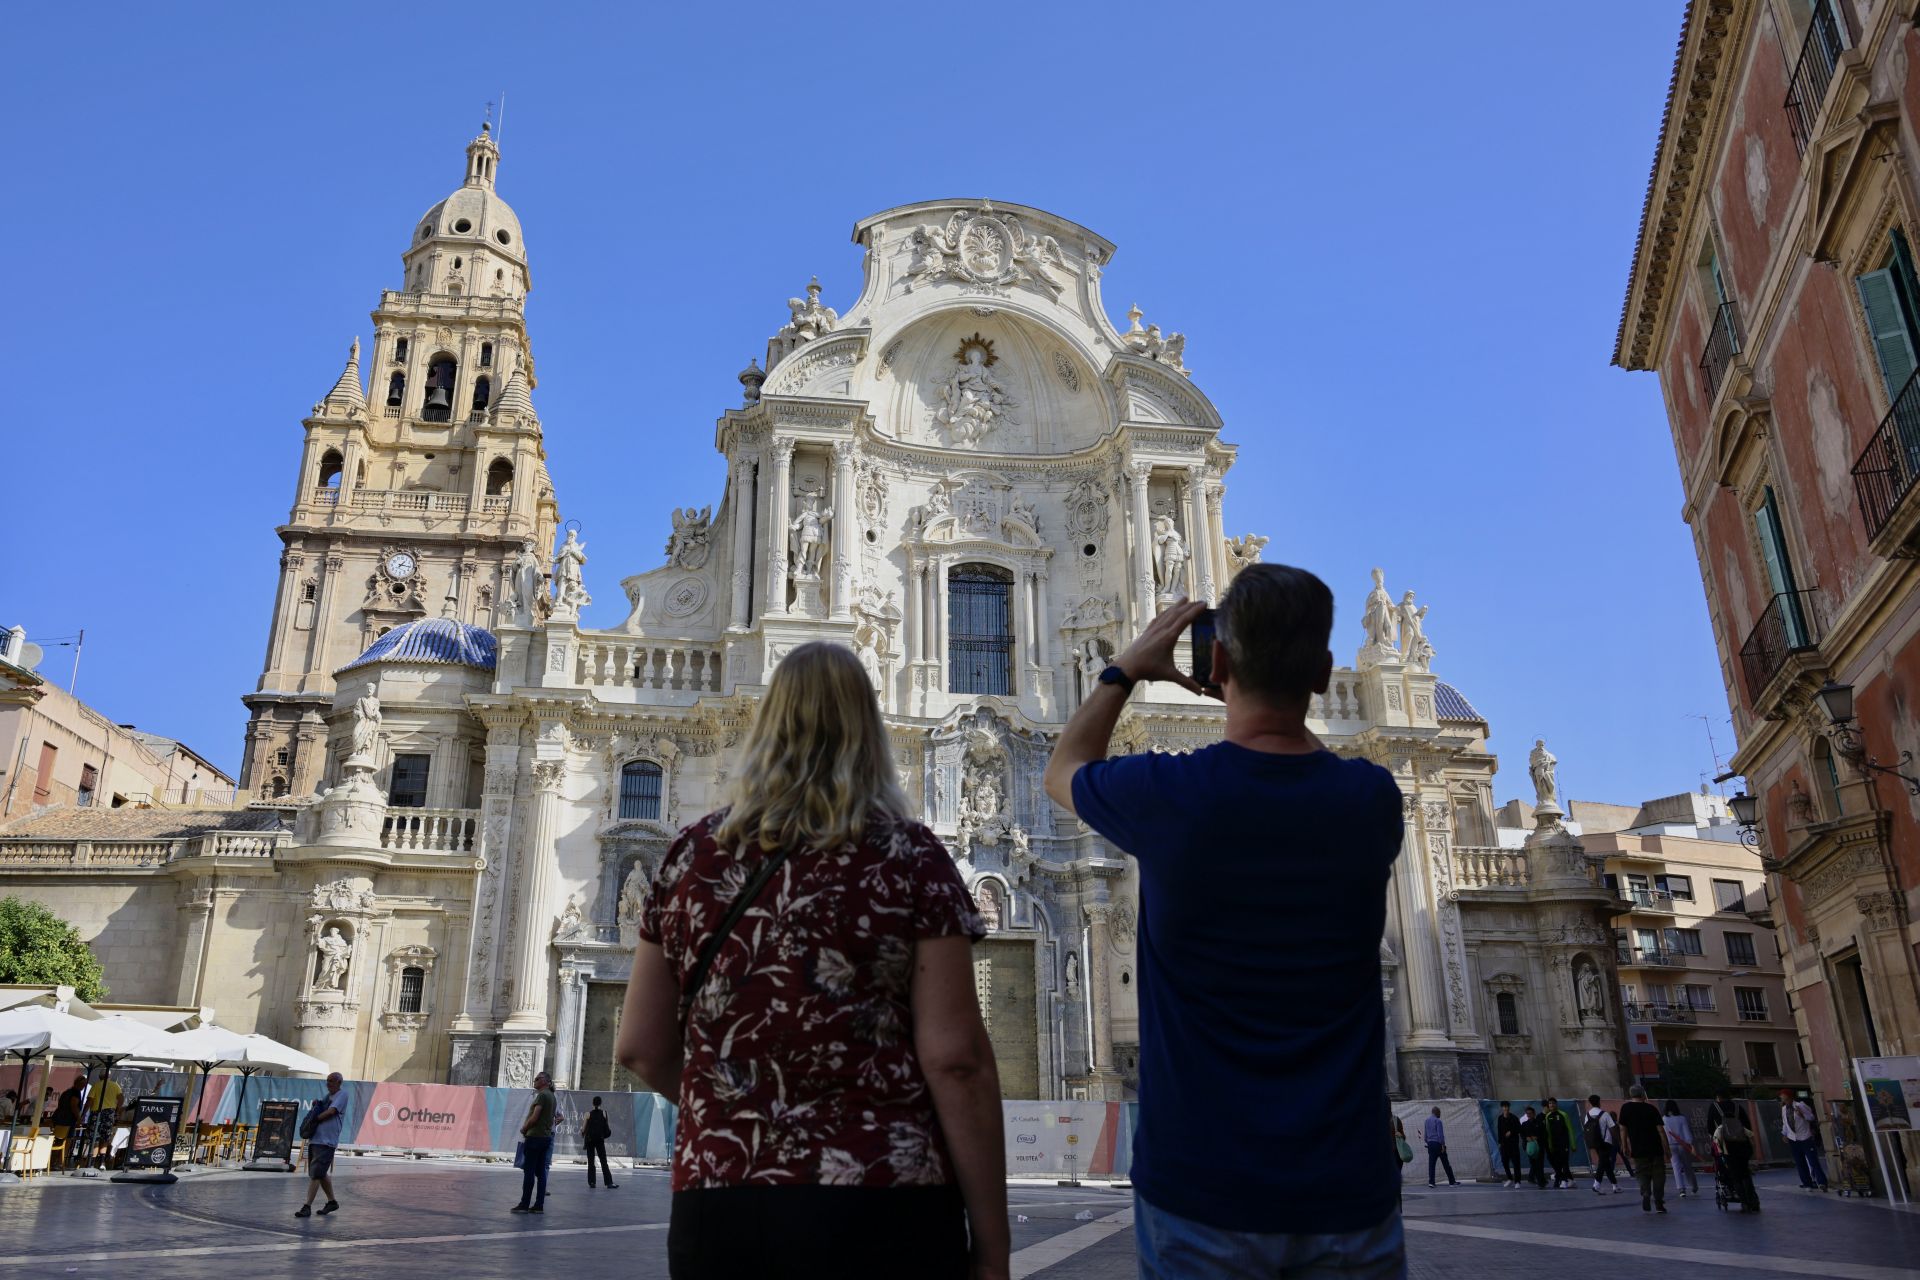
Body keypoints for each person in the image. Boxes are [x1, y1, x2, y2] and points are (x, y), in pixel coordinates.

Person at [1043, 569, 1406, 1277]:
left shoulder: (1168, 795)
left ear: (1215, 665)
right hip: (1346, 1189)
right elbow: (1307, 776)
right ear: (1327, 674)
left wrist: (1124, 670)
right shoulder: (1372, 800)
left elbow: (1064, 769)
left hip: (1200, 1187)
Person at [618, 641, 1007, 1280]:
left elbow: (638, 1045)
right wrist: (993, 1248)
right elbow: (956, 1060)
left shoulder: (689, 858)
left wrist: (736, 1103)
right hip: (883, 1197)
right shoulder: (910, 858)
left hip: (722, 1201)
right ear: (870, 732)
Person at [294, 1072, 347, 1219]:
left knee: (316, 1174)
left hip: (326, 1141)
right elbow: (322, 1108)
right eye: (327, 1081)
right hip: (316, 1139)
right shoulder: (327, 1097)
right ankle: (332, 1202)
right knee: (321, 1173)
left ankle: (307, 1206)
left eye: (331, 1081)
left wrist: (315, 1119)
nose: (328, 1084)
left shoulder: (342, 1095)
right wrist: (316, 1105)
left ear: (339, 1082)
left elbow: (331, 1112)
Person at [1616, 1084, 1669, 1213]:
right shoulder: (1651, 1109)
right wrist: (1666, 1148)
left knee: (1641, 1173)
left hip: (1638, 1148)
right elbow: (1660, 1130)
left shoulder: (1626, 1108)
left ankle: (1645, 1192)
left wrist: (1624, 1145)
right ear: (1643, 1094)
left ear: (1630, 1094)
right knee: (1658, 1176)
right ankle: (1658, 1202)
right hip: (1655, 1147)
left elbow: (1623, 1128)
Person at [512, 1071, 557, 1214]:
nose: (535, 1081)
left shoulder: (542, 1096)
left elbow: (535, 1116)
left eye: (537, 1079)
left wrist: (524, 1128)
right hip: (545, 1137)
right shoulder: (552, 1096)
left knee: (529, 1172)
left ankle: (524, 1203)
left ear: (545, 1081)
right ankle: (539, 1205)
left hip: (535, 1137)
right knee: (541, 1173)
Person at [1713, 1103, 1761, 1212]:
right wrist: (1751, 1150)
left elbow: (1716, 1142)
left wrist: (1722, 1154)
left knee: (1736, 1179)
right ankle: (1753, 1201)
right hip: (1743, 1154)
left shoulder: (1721, 1128)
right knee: (1746, 1177)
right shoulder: (1740, 1126)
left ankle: (1744, 1203)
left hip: (1730, 1155)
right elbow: (1752, 1135)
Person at [1779, 1089, 1829, 1191]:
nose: (1784, 1100)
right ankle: (1807, 1183)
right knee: (1800, 1162)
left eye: (1785, 1098)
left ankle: (1822, 1182)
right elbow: (1785, 1122)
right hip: (1793, 1138)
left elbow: (1811, 1117)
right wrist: (1784, 1134)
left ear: (1790, 1097)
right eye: (1783, 1098)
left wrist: (1802, 1115)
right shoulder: (1784, 1109)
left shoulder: (1800, 1105)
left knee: (1813, 1161)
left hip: (1805, 1137)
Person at [1663, 1101, 1700, 1199]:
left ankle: (1681, 1189)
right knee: (1688, 1166)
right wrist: (1691, 1145)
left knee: (1676, 1167)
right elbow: (1687, 1133)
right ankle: (1694, 1186)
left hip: (1671, 1145)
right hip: (1683, 1145)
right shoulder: (1681, 1118)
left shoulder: (1664, 1119)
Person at [1585, 1095, 1621, 1194]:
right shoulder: (1604, 1114)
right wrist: (1618, 1141)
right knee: (1602, 1163)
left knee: (1606, 1164)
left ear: (1590, 1103)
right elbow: (1613, 1128)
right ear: (1599, 1102)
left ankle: (1615, 1186)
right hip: (1606, 1142)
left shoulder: (1587, 1115)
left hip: (1595, 1142)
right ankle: (1596, 1184)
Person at [583, 1095, 617, 1189]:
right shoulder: (604, 1113)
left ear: (592, 1103)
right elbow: (606, 1127)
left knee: (591, 1162)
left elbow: (583, 1129)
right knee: (603, 1161)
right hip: (600, 1140)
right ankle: (609, 1182)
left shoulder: (587, 1114)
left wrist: (583, 1134)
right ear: (600, 1103)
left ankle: (592, 1182)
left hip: (590, 1140)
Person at [1542, 1097, 1576, 1189]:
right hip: (1554, 1144)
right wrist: (1550, 1145)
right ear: (1548, 1105)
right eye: (1550, 1104)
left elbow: (1570, 1129)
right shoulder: (1548, 1116)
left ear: (1556, 1104)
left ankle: (1564, 1181)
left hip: (1564, 1143)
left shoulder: (1563, 1114)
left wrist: (1573, 1144)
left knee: (1564, 1162)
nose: (1551, 1105)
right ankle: (1571, 1180)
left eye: (1553, 1103)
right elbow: (1548, 1132)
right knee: (1558, 1163)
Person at [1423, 1107, 1457, 1188]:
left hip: (1430, 1144)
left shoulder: (1426, 1121)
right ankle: (1452, 1182)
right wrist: (1443, 1145)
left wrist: (1429, 1143)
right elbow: (1440, 1135)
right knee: (1446, 1163)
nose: (1440, 1115)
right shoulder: (1438, 1121)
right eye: (1439, 1113)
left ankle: (1431, 1182)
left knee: (1431, 1164)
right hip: (1438, 1144)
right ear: (1437, 1112)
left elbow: (1425, 1136)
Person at [1517, 1106, 1547, 1189]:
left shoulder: (1540, 1123)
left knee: (1539, 1164)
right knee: (1534, 1164)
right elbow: (1522, 1134)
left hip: (1539, 1146)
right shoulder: (1524, 1124)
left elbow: (1544, 1134)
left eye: (1530, 1113)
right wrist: (1526, 1138)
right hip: (1529, 1147)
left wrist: (1537, 1137)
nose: (1529, 1115)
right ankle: (1538, 1179)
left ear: (1534, 1114)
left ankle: (1541, 1181)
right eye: (1527, 1114)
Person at [1495, 1102, 1522, 1187]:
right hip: (1504, 1144)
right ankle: (1510, 1178)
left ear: (1509, 1108)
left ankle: (1517, 1181)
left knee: (1516, 1163)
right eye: (1504, 1107)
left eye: (1507, 1107)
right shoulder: (1500, 1118)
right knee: (1504, 1162)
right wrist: (1500, 1142)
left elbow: (1519, 1129)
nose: (1505, 1108)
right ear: (1502, 1108)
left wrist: (1511, 1132)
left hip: (1513, 1144)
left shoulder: (1514, 1118)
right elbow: (1499, 1131)